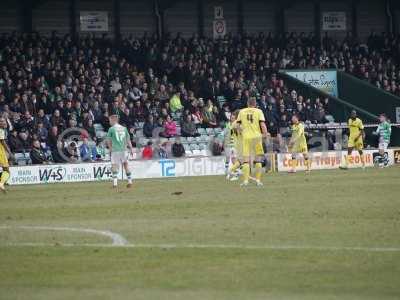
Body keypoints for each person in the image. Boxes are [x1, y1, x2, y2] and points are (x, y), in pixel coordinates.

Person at [236, 97, 268, 187]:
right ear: (255, 104)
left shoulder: (242, 111)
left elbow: (237, 125)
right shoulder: (258, 111)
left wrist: (242, 132)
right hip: (257, 137)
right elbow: (262, 124)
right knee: (258, 160)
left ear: (247, 103)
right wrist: (265, 134)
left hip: (246, 138)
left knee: (246, 160)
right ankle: (258, 181)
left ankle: (246, 181)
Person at [106, 115, 134, 188]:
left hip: (115, 150)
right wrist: (131, 149)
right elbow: (128, 139)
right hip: (124, 150)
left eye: (110, 120)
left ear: (114, 120)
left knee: (114, 166)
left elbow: (108, 140)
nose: (109, 122)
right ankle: (130, 181)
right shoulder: (124, 128)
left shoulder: (111, 129)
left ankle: (115, 184)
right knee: (126, 165)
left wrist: (110, 149)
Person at [225, 112, 241, 181]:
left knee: (234, 159)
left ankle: (236, 173)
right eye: (231, 117)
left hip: (235, 143)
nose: (232, 118)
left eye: (233, 118)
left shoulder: (236, 124)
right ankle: (236, 172)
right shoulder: (228, 124)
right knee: (232, 159)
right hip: (230, 144)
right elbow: (227, 133)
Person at [0, 117, 11, 192]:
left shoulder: (3, 130)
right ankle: (1, 183)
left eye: (4, 121)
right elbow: (3, 142)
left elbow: (9, 127)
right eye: (1, 121)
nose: (3, 122)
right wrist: (9, 151)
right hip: (0, 151)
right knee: (6, 170)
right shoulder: (0, 130)